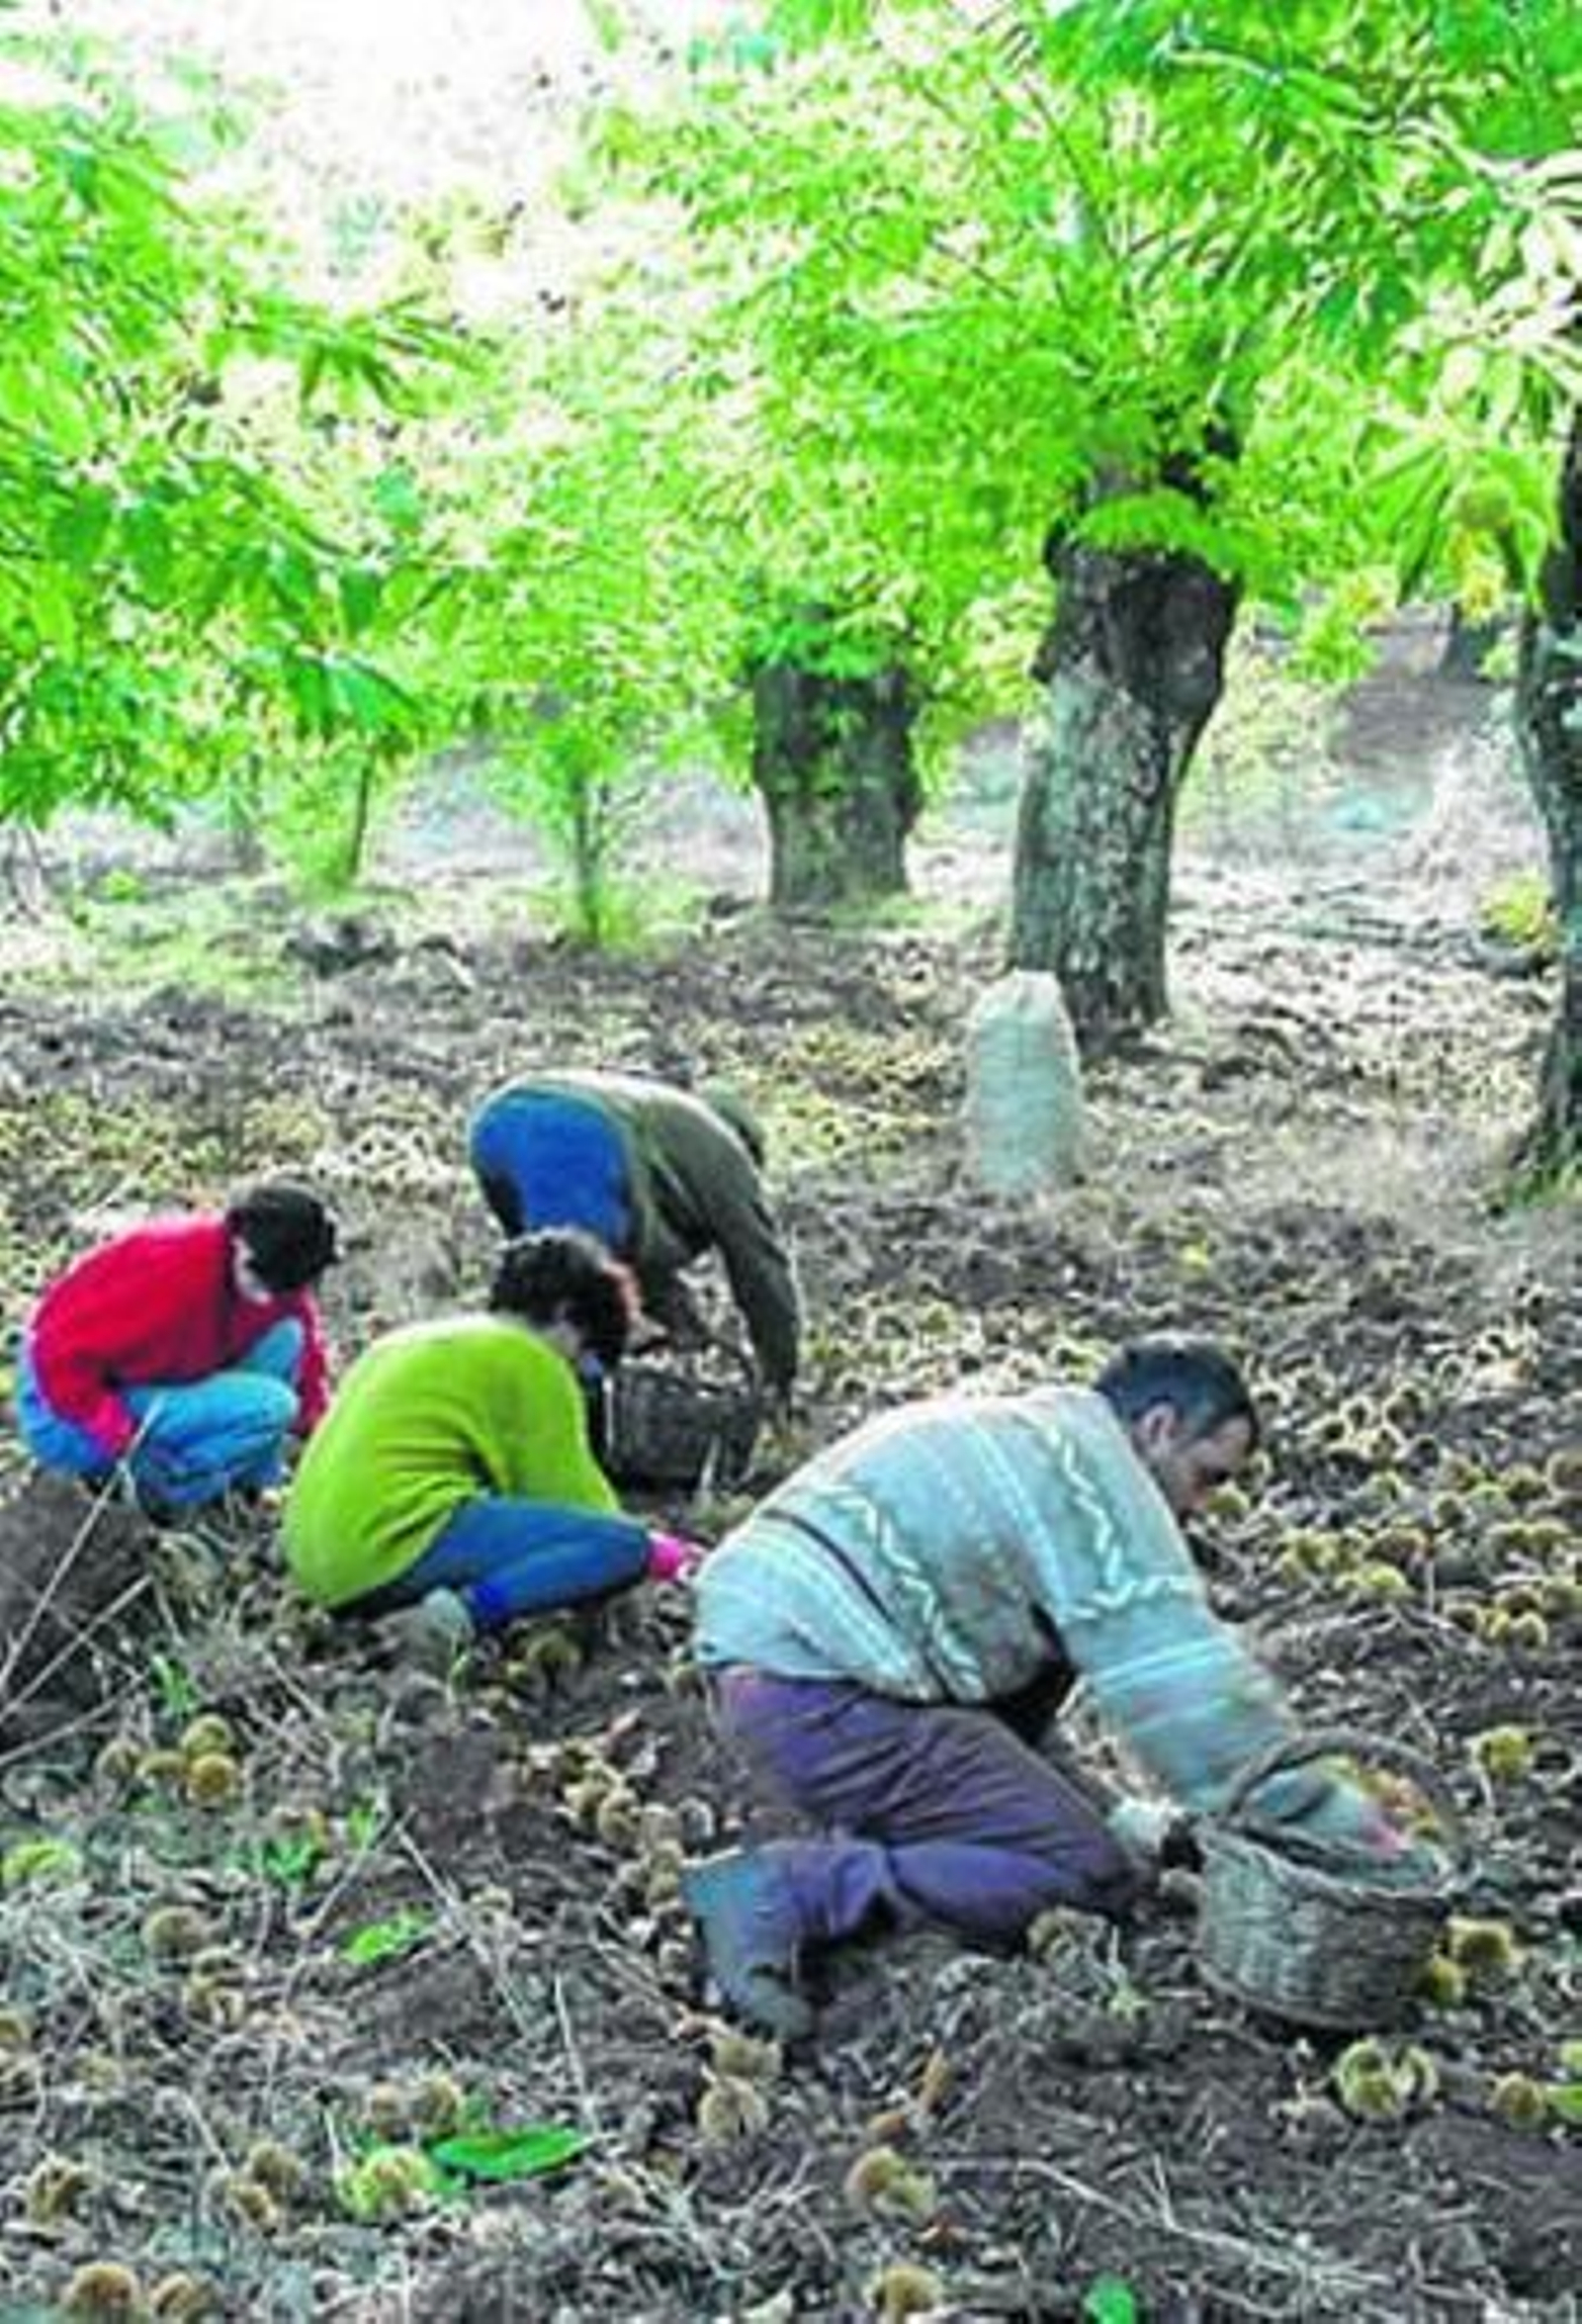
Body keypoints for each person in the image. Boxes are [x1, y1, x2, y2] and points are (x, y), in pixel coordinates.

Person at [683, 1338, 1425, 2040]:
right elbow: (1193, 1698)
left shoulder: (1032, 1434)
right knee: (1085, 1875)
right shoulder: (1098, 1488)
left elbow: (1016, 1715)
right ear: (1159, 1428)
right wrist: (1339, 1829)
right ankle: (792, 1887)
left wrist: (1133, 1819)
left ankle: (906, 1833)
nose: (1200, 1507)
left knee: (1069, 1739)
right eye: (1208, 1475)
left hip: (770, 1655)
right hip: (814, 1691)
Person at [284, 1228, 701, 1666]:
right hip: (388, 1543)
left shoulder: (407, 1341)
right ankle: (451, 1621)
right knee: (624, 1546)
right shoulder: (529, 1360)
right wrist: (667, 1557)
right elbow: (577, 1504)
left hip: (318, 1559)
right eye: (582, 1352)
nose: (575, 1371)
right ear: (565, 1316)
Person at [466, 1068, 800, 1397]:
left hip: (496, 1125)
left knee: (533, 1288)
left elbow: (636, 1261)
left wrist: (679, 1320)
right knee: (575, 1317)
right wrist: (779, 1376)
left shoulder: (663, 1124)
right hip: (573, 1139)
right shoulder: (729, 1157)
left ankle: (491, 1385)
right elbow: (762, 1270)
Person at [15, 1181, 337, 1515]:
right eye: (260, 1282)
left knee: (287, 1336)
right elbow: (55, 1355)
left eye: (283, 1286)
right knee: (273, 1406)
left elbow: (303, 1339)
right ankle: (169, 1492)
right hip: (65, 1413)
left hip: (155, 1379)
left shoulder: (276, 1269)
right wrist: (123, 1437)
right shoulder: (171, 1272)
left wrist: (316, 1422)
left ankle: (250, 1485)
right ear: (240, 1244)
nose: (268, 1298)